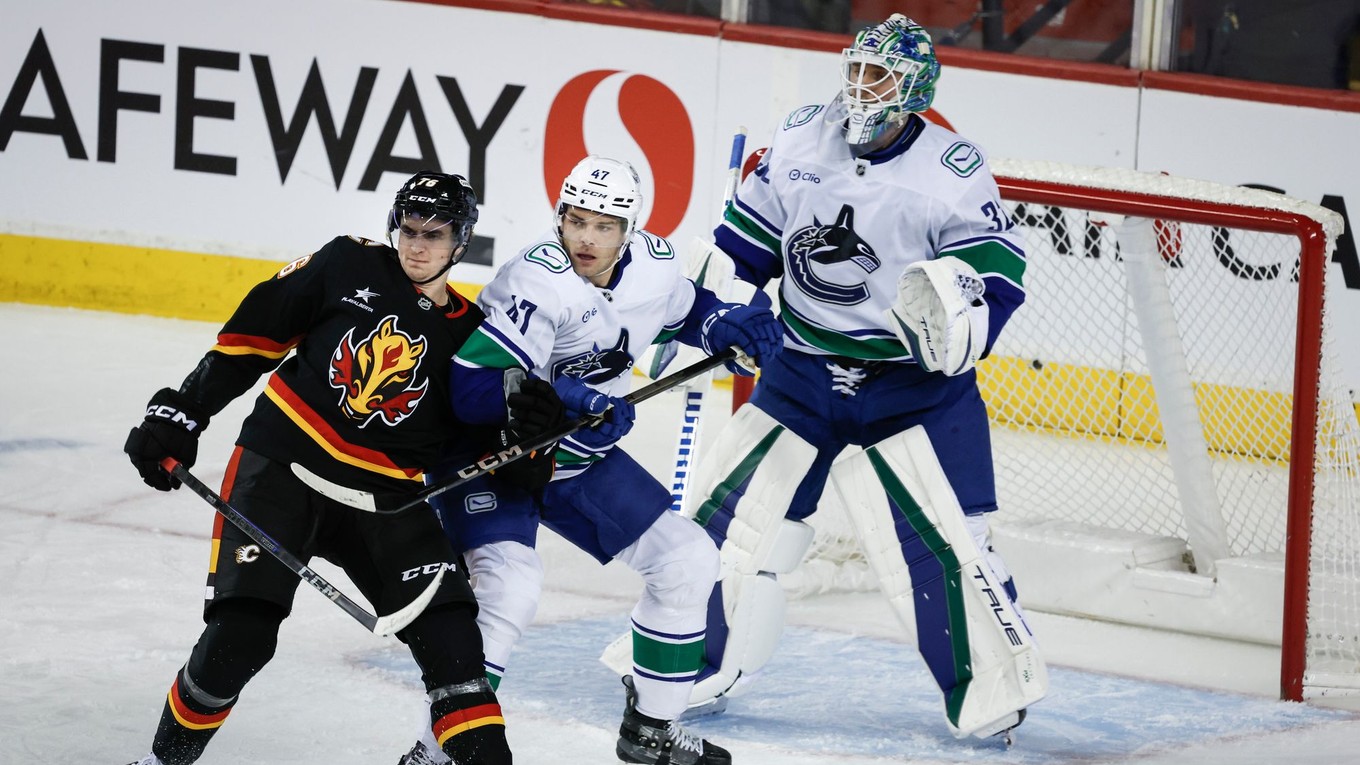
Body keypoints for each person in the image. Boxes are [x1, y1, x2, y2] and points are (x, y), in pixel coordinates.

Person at [669, 13, 1046, 742]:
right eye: (856, 69)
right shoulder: (804, 134)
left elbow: (996, 280)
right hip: (800, 368)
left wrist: (962, 326)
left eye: (879, 76)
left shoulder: (952, 171)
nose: (860, 88)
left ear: (913, 91)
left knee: (952, 544)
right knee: (733, 519)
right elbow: (743, 244)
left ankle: (993, 684)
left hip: (913, 388)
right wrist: (731, 310)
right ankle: (685, 659)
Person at [120, 171, 561, 765]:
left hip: (388, 504)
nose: (418, 245)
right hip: (281, 472)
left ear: (461, 243)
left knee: (456, 645)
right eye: (408, 230)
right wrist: (185, 408)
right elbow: (250, 339)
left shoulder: (471, 339)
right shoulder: (344, 265)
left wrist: (533, 443)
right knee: (242, 635)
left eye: (435, 235)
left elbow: (491, 460)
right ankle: (160, 762)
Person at [395, 155, 783, 765]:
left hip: (574, 458)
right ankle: (433, 755)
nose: (586, 238)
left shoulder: (654, 266)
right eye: (575, 221)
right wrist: (565, 397)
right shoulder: (537, 278)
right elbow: (471, 387)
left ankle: (652, 729)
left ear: (629, 229)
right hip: (496, 455)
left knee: (686, 559)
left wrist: (727, 325)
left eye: (603, 226)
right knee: (509, 590)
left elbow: (689, 311)